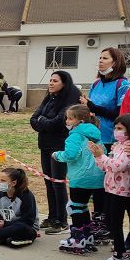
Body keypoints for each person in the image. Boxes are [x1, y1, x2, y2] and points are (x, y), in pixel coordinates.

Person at [89, 114, 130, 260]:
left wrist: (102, 157)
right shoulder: (117, 145)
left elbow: (117, 166)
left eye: (120, 128)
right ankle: (124, 253)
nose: (116, 131)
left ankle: (119, 256)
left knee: (118, 223)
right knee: (113, 222)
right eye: (115, 128)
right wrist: (98, 156)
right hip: (112, 189)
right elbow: (106, 167)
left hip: (124, 191)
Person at [29, 70, 81, 233]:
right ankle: (52, 216)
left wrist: (43, 122)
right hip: (44, 145)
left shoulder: (69, 100)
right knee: (48, 181)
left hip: (58, 146)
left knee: (57, 182)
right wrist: (44, 123)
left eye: (55, 81)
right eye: (50, 80)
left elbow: (57, 122)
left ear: (64, 83)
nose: (51, 83)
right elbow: (33, 119)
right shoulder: (49, 98)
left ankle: (62, 220)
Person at [53, 104, 104, 255]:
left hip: (80, 177)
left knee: (75, 206)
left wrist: (57, 155)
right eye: (66, 118)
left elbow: (71, 155)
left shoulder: (75, 135)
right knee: (83, 206)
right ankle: (87, 236)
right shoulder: (96, 134)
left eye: (70, 118)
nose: (67, 121)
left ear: (80, 120)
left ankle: (77, 238)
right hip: (96, 177)